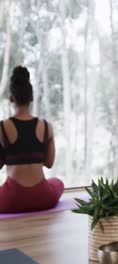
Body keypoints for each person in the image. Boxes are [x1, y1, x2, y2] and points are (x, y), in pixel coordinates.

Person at [0, 66, 63, 213]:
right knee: (57, 183)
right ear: (31, 98)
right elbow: (49, 163)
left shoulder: (2, 128)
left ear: (11, 98)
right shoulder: (46, 126)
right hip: (42, 198)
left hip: (11, 200)